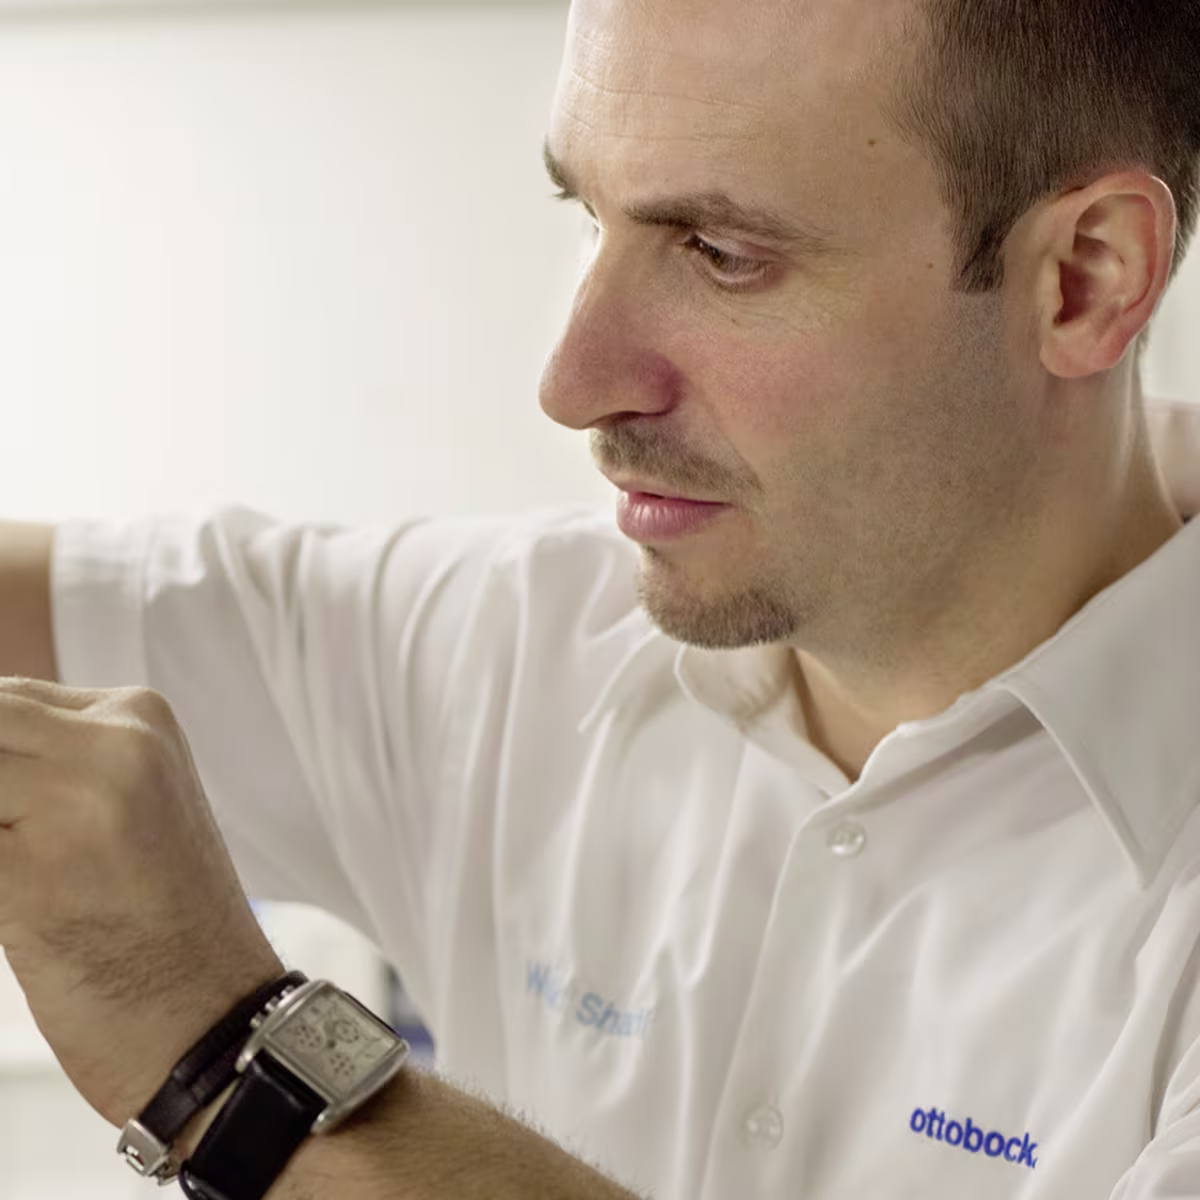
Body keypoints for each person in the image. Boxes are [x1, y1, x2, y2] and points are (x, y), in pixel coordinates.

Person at [1, 0, 1199, 1196]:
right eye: (588, 216)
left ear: (1085, 279)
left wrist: (224, 1052)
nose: (572, 383)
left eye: (723, 254)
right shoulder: (522, 641)